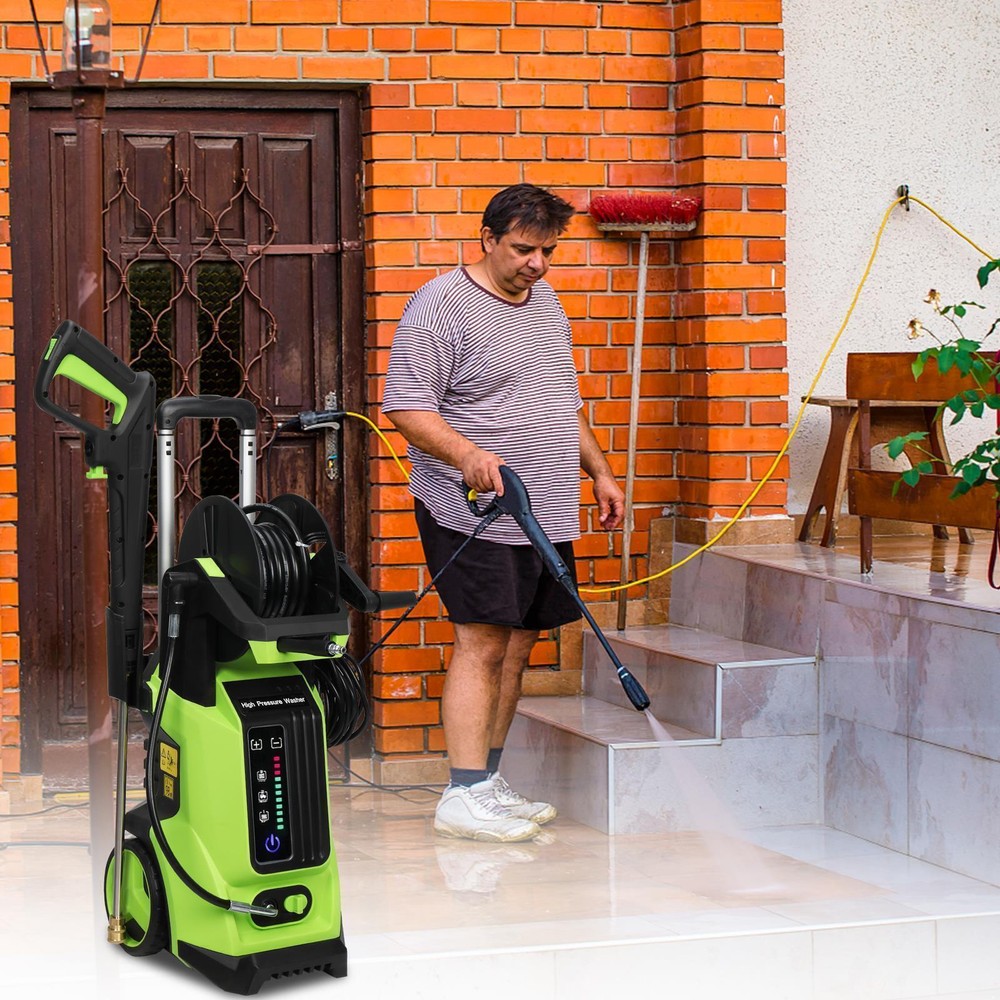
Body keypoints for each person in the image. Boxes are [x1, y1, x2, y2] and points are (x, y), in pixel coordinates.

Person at [382, 183, 625, 843]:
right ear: (487, 239)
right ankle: (461, 794)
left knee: (518, 645)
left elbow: (562, 401)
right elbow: (406, 405)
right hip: (475, 512)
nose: (536, 264)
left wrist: (600, 471)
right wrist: (467, 454)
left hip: (546, 507)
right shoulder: (440, 305)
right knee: (483, 641)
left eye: (547, 251)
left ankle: (484, 782)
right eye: (522, 249)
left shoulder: (546, 303)